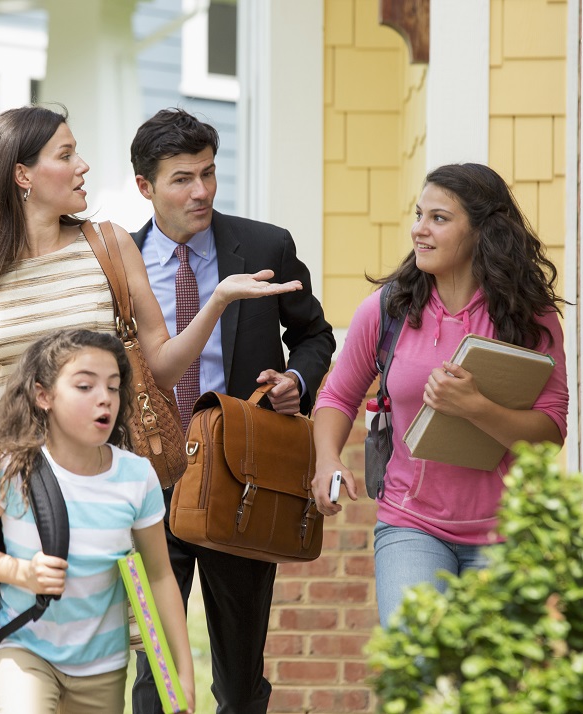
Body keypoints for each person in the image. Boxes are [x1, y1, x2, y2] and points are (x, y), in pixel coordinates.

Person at [0, 104, 297, 712]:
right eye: (66, 154)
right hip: (2, 493)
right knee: (8, 679)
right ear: (23, 174)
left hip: (97, 500)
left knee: (93, 682)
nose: (84, 166)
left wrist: (219, 301)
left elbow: (160, 366)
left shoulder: (108, 245)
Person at [128, 108, 336, 714]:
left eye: (209, 174)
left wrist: (297, 379)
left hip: (240, 478)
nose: (201, 191)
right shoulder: (120, 263)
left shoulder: (265, 245)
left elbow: (315, 336)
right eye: (182, 179)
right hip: (148, 484)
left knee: (241, 680)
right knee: (155, 678)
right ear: (145, 186)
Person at [309, 163, 570, 627]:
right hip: (411, 524)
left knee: (492, 691)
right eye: (418, 215)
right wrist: (327, 459)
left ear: (482, 232)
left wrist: (477, 408)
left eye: (439, 219)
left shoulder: (530, 316)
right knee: (418, 674)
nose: (419, 230)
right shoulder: (387, 310)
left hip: (507, 533)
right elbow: (337, 396)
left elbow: (550, 433)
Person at [0, 329, 195, 713]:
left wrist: (184, 677)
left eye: (113, 387)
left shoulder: (136, 476)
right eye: (85, 386)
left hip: (103, 665)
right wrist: (20, 572)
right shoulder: (10, 469)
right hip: (23, 648)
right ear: (44, 396)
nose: (104, 398)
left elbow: (160, 577)